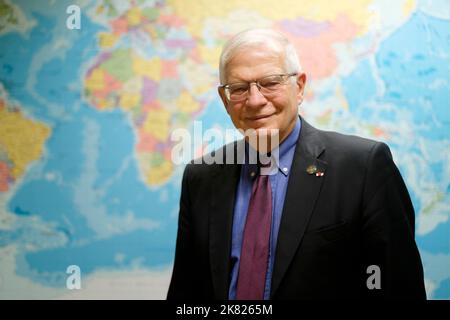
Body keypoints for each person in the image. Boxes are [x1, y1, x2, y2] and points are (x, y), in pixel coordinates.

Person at [167, 28, 426, 300]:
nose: (255, 100)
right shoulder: (201, 178)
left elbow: (399, 288)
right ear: (225, 99)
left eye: (270, 82)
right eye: (239, 89)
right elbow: (186, 294)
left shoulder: (363, 167)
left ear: (299, 86)